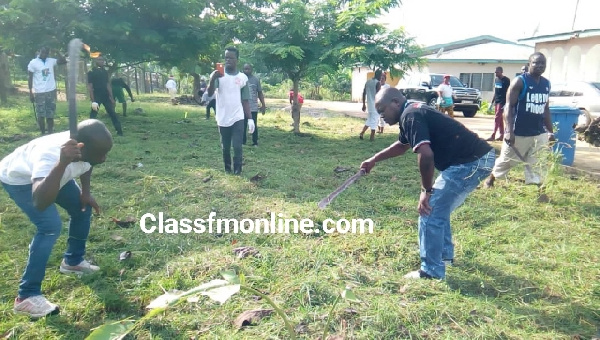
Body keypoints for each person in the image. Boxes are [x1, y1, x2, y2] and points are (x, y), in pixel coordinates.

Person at [360, 87, 495, 280]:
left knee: (429, 210)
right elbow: (402, 145)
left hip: (470, 162)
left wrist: (426, 190)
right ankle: (443, 256)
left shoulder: (411, 115)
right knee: (439, 208)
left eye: (382, 111)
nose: (381, 116)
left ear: (395, 103)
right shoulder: (411, 111)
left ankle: (431, 271)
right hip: (475, 159)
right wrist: (374, 159)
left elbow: (426, 154)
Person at [0, 119, 113, 317]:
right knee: (50, 226)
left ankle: (73, 261)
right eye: (100, 153)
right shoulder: (50, 156)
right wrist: (62, 163)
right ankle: (26, 296)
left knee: (82, 207)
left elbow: (89, 163)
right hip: (22, 179)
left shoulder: (84, 151)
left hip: (58, 170)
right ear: (81, 148)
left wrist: (85, 192)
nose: (104, 159)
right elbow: (40, 202)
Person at [485, 52, 554, 188]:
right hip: (519, 131)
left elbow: (545, 108)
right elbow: (508, 107)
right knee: (507, 160)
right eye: (536, 63)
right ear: (529, 65)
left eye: (543, 63)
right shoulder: (520, 82)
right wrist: (509, 131)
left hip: (538, 131)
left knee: (538, 161)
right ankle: (491, 179)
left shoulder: (546, 83)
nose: (540, 66)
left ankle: (540, 190)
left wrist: (550, 131)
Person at [207, 46, 253, 175]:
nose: (228, 60)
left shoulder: (243, 77)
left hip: (238, 116)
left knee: (237, 146)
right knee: (225, 146)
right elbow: (210, 93)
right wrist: (212, 78)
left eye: (231, 58)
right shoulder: (218, 76)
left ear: (237, 60)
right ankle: (227, 168)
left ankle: (238, 170)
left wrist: (250, 119)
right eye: (226, 58)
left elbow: (245, 100)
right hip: (222, 116)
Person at [28, 47, 67, 135]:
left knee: (50, 114)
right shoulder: (33, 62)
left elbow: (64, 61)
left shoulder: (51, 61)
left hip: (51, 91)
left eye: (46, 53)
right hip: (39, 92)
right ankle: (42, 133)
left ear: (48, 54)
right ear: (39, 52)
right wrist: (30, 92)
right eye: (43, 53)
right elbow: (30, 78)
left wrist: (57, 51)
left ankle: (50, 133)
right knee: (41, 114)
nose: (44, 55)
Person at [87, 56, 123, 136]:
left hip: (105, 96)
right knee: (93, 114)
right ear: (95, 61)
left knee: (112, 114)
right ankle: (88, 132)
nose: (102, 61)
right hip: (97, 95)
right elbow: (90, 86)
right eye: (99, 60)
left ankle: (119, 132)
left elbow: (107, 85)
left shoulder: (104, 72)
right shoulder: (91, 72)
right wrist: (93, 100)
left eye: (102, 60)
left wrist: (112, 97)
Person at [242, 64, 266, 146]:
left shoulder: (255, 80)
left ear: (251, 70)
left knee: (254, 125)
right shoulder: (240, 79)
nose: (246, 71)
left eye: (248, 69)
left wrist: (263, 105)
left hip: (253, 107)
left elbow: (260, 93)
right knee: (243, 125)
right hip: (242, 107)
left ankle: (255, 142)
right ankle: (243, 142)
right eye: (245, 69)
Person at [487, 67, 511, 141]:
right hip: (497, 101)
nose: (496, 74)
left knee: (497, 118)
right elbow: (496, 91)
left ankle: (493, 135)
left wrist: (507, 102)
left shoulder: (506, 80)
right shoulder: (496, 80)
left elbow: (509, 92)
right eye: (495, 72)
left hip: (502, 101)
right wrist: (492, 102)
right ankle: (501, 135)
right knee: (499, 119)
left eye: (497, 72)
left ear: (501, 72)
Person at [360, 69, 382, 141]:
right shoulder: (378, 83)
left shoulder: (368, 82)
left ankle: (362, 133)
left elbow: (364, 93)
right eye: (381, 76)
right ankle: (372, 137)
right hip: (375, 105)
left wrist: (364, 104)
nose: (381, 77)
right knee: (374, 121)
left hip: (369, 105)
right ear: (379, 75)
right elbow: (379, 96)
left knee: (370, 120)